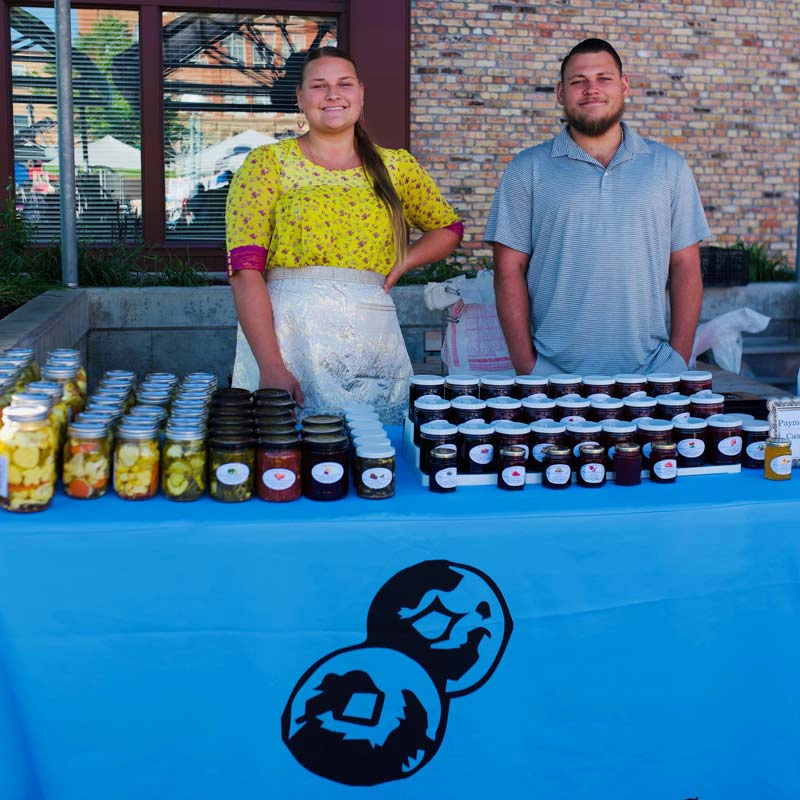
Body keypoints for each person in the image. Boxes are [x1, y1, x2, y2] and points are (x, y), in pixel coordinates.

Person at [226, 46, 461, 420]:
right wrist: (271, 365)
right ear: (300, 98)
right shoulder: (267, 163)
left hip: (371, 332)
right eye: (319, 85)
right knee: (289, 457)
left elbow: (448, 228)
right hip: (288, 335)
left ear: (361, 93)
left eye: (344, 84)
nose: (333, 94)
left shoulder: (395, 166)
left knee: (376, 453)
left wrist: (404, 260)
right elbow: (245, 269)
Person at [484, 38, 710, 377]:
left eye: (603, 78)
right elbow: (507, 270)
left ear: (624, 86)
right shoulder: (526, 169)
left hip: (652, 375)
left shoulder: (669, 168)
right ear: (561, 92)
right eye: (579, 81)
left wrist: (677, 361)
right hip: (553, 378)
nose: (592, 89)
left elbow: (686, 266)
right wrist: (527, 366)